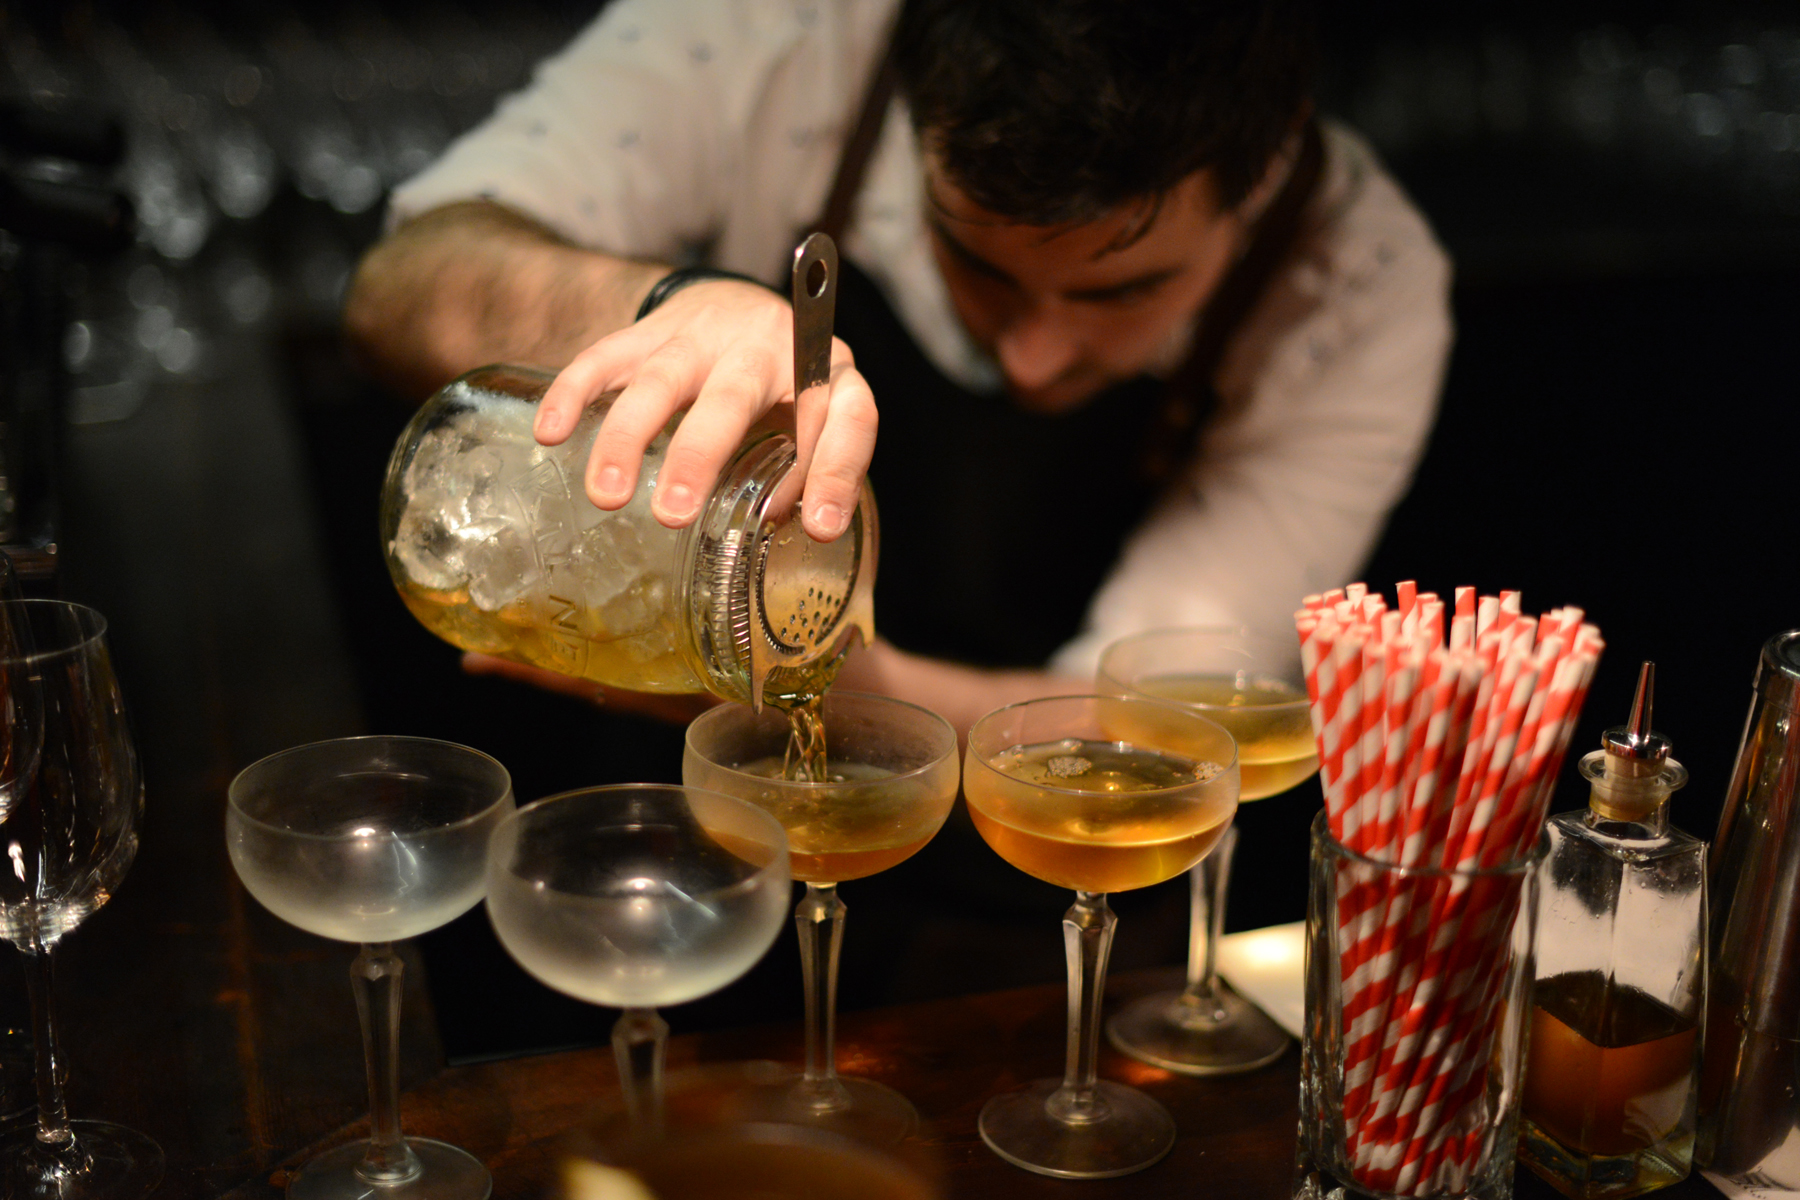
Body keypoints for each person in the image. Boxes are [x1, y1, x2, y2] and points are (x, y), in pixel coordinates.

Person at [345, 0, 1451, 735]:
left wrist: (790, 676)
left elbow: (1157, 727)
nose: (1033, 352)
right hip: (700, 853)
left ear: (1257, 179)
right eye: (977, 265)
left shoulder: (1360, 280)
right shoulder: (775, 33)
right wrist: (663, 305)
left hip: (1045, 889)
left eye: (1120, 291)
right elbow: (395, 285)